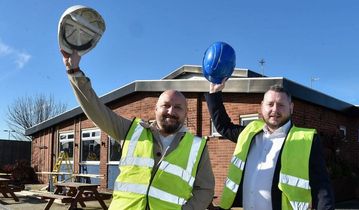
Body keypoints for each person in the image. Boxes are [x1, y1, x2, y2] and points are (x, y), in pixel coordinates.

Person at [61, 50, 215, 210]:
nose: (171, 111)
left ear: (185, 113)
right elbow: (97, 110)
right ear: (155, 109)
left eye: (178, 107)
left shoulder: (197, 148)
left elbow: (205, 189)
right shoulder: (130, 131)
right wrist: (74, 72)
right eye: (166, 105)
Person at [205, 79, 334, 210]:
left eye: (281, 105)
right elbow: (223, 126)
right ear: (262, 106)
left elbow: (321, 187)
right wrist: (215, 93)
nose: (275, 109)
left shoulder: (306, 140)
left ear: (291, 107)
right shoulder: (250, 132)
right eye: (270, 104)